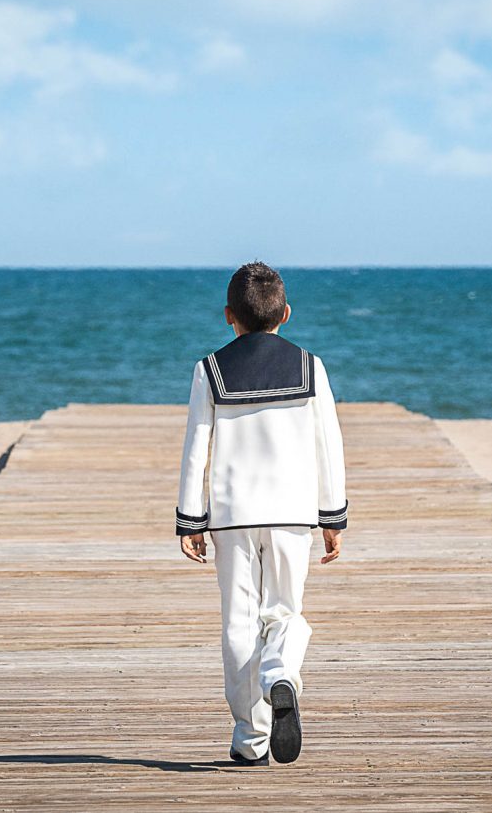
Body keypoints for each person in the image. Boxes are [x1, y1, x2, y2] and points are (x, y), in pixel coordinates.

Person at [175, 260, 348, 766]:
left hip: (232, 516)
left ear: (228, 315)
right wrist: (331, 516)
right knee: (285, 613)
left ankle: (250, 737)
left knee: (238, 621)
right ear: (286, 314)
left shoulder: (209, 370)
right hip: (293, 513)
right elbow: (328, 445)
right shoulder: (308, 366)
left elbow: (195, 449)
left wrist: (191, 519)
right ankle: (280, 676)